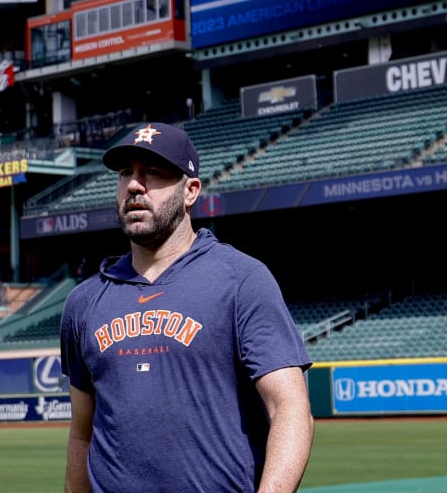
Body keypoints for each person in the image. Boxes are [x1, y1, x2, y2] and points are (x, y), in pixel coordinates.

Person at [60, 122, 314, 493]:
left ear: (190, 190)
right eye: (125, 173)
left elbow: (290, 409)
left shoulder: (241, 280)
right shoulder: (83, 302)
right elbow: (81, 434)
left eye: (153, 173)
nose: (134, 185)